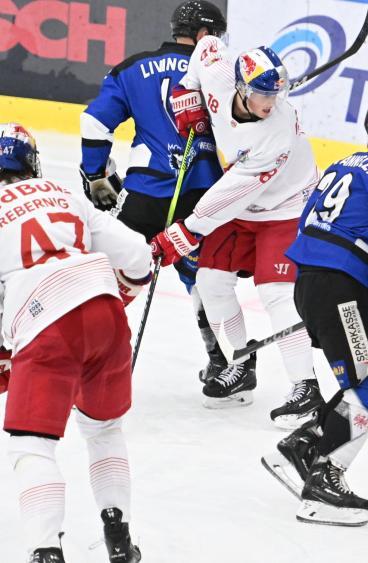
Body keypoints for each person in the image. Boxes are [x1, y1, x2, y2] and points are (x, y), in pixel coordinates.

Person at [260, 94, 368, 527]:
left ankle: (303, 444)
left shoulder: (346, 163)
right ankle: (323, 477)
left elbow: (311, 224)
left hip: (316, 285)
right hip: (341, 292)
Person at [149, 39, 320, 429]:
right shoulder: (219, 73)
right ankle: (242, 365)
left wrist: (184, 232)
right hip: (243, 206)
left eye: (276, 92)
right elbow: (206, 44)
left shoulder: (275, 133)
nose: (271, 101)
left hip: (286, 206)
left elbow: (231, 194)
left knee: (276, 293)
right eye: (262, 92)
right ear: (240, 87)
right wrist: (186, 91)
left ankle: (306, 389)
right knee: (210, 283)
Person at [0, 124, 151, 563]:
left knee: (32, 445)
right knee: (104, 431)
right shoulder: (63, 192)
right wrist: (113, 297)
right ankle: (120, 543)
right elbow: (139, 259)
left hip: (43, 321)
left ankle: (45, 552)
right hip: (104, 310)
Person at [79, 0, 228, 384]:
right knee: (202, 279)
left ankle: (88, 355)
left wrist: (96, 174)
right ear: (205, 35)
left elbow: (94, 123)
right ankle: (224, 364)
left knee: (113, 272)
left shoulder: (132, 68)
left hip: (144, 192)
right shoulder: (223, 73)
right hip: (203, 196)